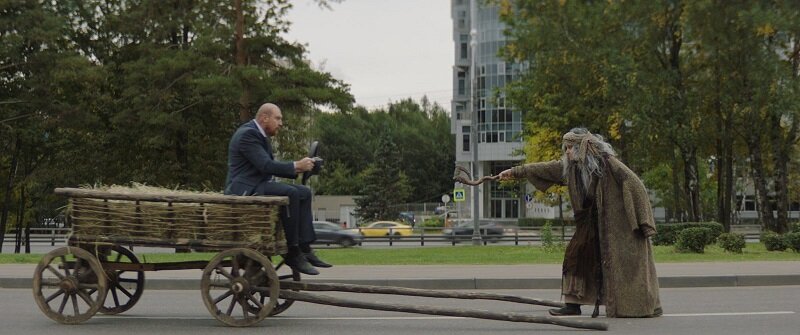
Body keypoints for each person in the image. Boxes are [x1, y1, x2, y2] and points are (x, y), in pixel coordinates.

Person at [498, 127, 662, 318]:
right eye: (565, 147)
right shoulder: (571, 168)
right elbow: (546, 168)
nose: (566, 151)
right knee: (575, 259)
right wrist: (515, 171)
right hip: (587, 226)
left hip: (618, 227)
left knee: (625, 266)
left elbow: (635, 184)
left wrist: (643, 220)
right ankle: (572, 304)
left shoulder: (608, 164)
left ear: (583, 147)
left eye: (570, 147)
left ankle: (637, 306)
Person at [224, 103, 331, 276]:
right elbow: (265, 166)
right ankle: (292, 251)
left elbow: (267, 167)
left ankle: (305, 247)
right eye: (278, 118)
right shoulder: (248, 135)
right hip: (244, 189)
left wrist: (300, 167)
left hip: (257, 184)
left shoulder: (259, 135)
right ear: (264, 118)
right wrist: (297, 165)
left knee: (304, 192)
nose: (281, 123)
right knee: (291, 193)